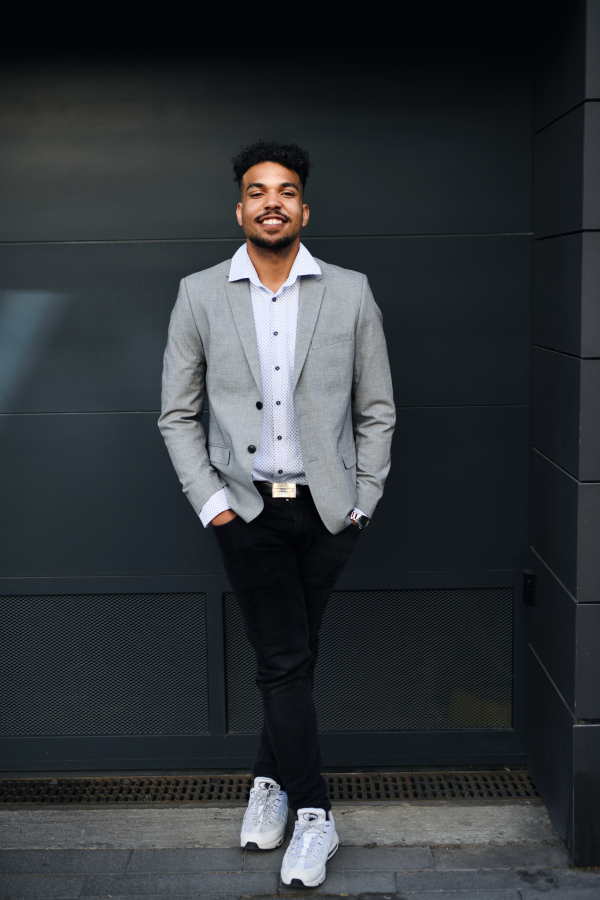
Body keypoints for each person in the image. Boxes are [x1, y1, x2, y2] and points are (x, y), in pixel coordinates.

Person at [159, 140, 395, 887]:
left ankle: (268, 782)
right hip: (248, 510)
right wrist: (214, 506)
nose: (272, 202)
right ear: (240, 208)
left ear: (303, 208)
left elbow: (377, 409)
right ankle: (316, 816)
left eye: (285, 191)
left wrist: (362, 501)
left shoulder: (351, 292)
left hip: (327, 512)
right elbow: (177, 414)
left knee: (292, 658)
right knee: (285, 661)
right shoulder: (199, 293)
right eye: (258, 191)